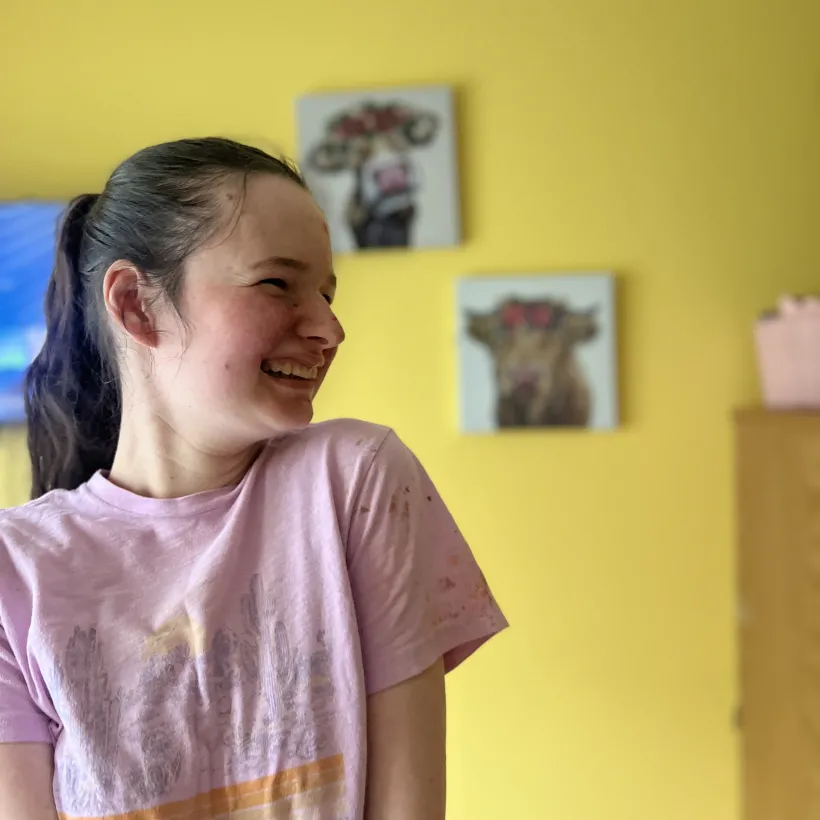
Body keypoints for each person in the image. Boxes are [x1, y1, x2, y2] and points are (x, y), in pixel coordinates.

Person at [0, 137, 507, 820]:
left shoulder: (354, 482)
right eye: (276, 283)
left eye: (328, 293)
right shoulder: (15, 570)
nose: (330, 328)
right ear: (136, 306)